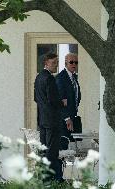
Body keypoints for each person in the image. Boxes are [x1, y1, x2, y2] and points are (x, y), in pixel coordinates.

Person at [34, 53, 66, 181]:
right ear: (46, 63)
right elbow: (53, 100)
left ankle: (42, 177)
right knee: (52, 151)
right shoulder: (49, 78)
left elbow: (36, 98)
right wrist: (62, 102)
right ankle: (49, 179)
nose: (56, 65)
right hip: (52, 120)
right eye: (53, 63)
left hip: (42, 119)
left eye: (57, 62)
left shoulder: (38, 77)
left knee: (43, 149)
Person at [56, 53, 81, 149]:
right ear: (66, 63)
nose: (74, 64)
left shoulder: (73, 77)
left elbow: (76, 97)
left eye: (76, 62)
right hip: (64, 120)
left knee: (74, 147)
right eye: (71, 62)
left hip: (73, 117)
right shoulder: (61, 78)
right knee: (64, 148)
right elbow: (60, 101)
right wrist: (67, 118)